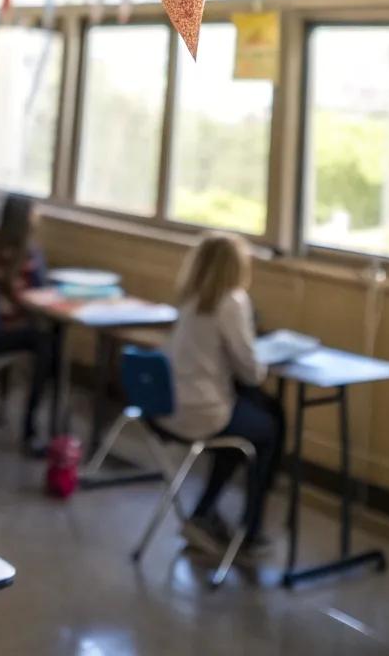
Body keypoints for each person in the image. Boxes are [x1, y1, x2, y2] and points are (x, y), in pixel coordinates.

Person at [166, 232, 284, 556]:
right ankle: (251, 526)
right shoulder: (232, 301)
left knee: (241, 431)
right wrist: (262, 359)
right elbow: (251, 372)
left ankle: (204, 511)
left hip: (168, 408)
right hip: (202, 412)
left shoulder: (190, 298)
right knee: (269, 427)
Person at [0, 193, 53, 454]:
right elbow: (30, 296)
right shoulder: (26, 254)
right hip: (1, 332)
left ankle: (2, 404)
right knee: (47, 344)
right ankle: (31, 426)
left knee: (41, 336)